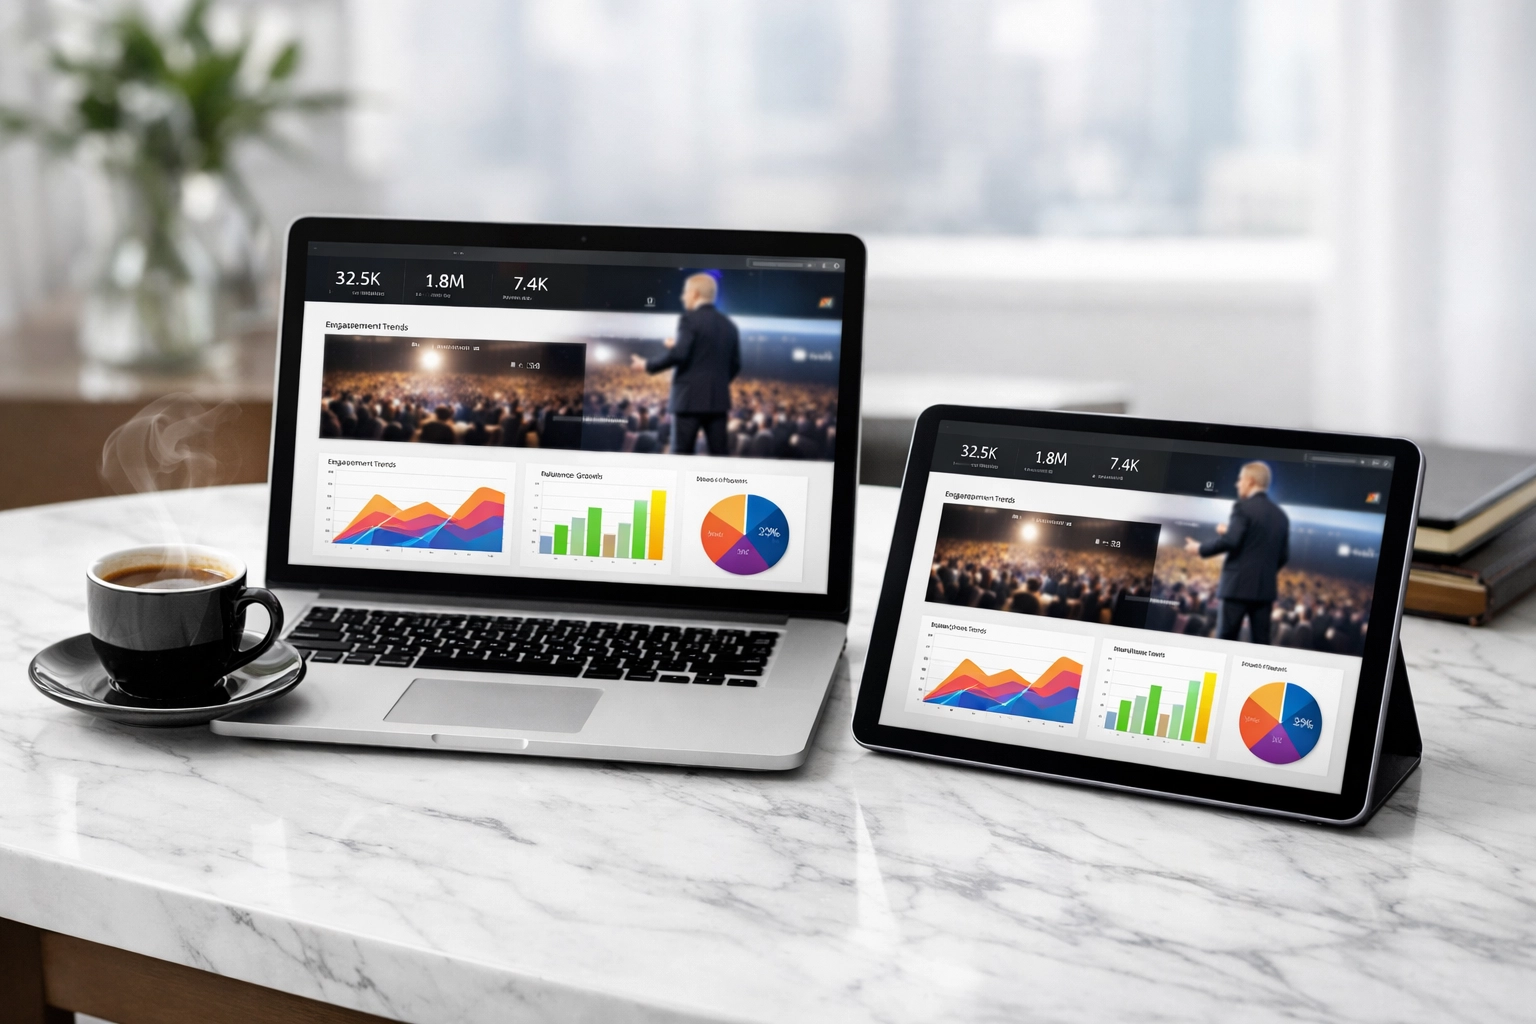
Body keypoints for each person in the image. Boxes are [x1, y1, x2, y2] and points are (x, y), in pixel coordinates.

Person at [631, 273, 740, 455]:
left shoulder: (689, 319)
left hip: (689, 400)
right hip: (718, 401)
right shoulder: (729, 325)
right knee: (720, 455)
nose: (682, 297)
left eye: (685, 292)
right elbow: (735, 364)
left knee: (681, 455)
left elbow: (680, 355)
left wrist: (647, 364)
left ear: (695, 293)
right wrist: (718, 384)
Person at [1184, 461, 1290, 644]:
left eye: (1240, 479)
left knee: (1225, 640)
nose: (1237, 483)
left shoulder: (1243, 507)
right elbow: (1282, 556)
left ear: (1250, 481)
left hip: (1237, 588)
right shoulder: (1281, 516)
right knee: (1260, 644)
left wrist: (1199, 548)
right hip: (1264, 590)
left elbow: (1232, 541)